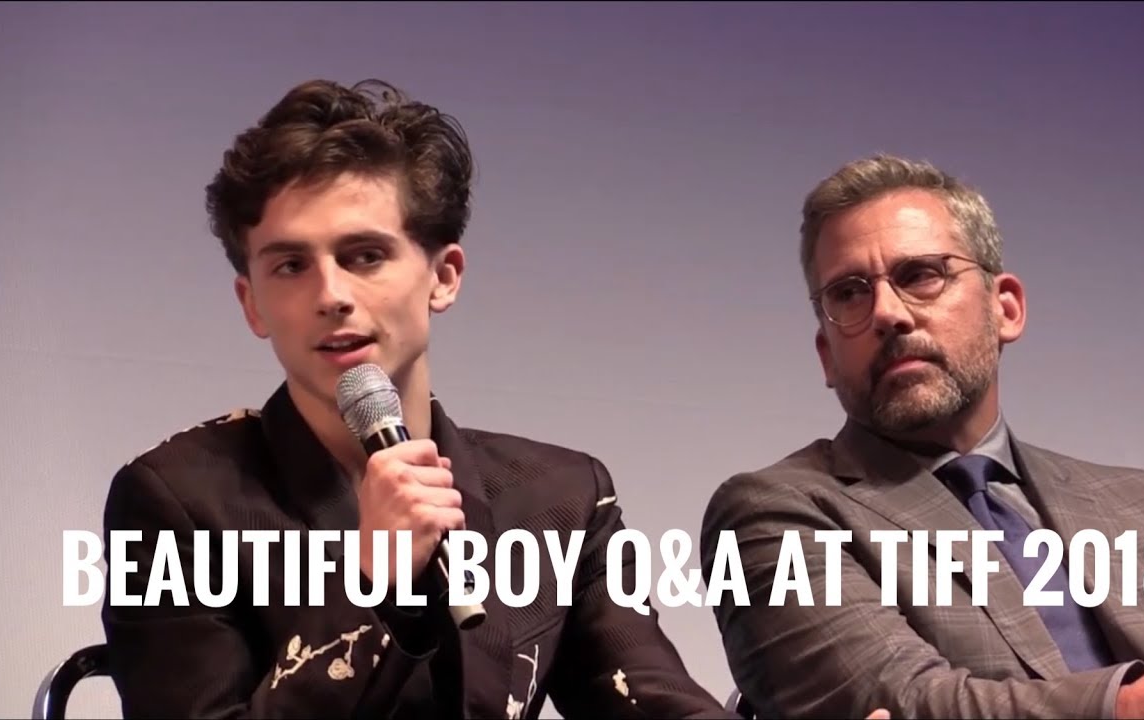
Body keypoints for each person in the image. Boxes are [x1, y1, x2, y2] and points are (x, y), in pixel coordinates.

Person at [99, 77, 736, 720]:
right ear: (252, 304)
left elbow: (656, 702)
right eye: (290, 266)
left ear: (444, 276)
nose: (331, 295)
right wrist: (374, 583)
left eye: (365, 256)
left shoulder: (562, 497)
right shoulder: (174, 502)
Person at [700, 154, 1144, 719]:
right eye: (849, 293)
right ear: (826, 355)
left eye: (919, 275)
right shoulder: (772, 513)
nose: (887, 313)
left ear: (1004, 308)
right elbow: (911, 701)